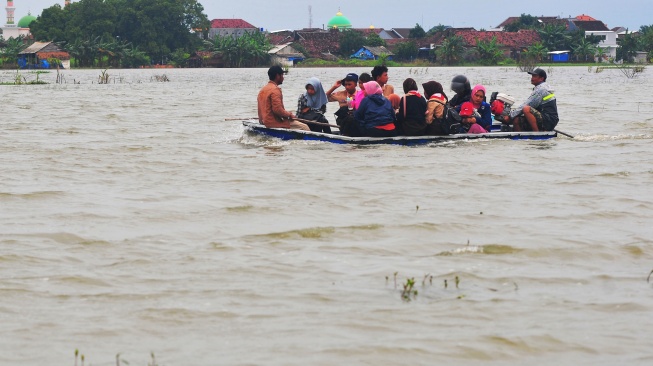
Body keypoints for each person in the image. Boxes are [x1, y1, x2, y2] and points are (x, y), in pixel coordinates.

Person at [257, 66, 309, 131]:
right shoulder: (275, 90)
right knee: (305, 127)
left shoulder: (263, 89)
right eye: (282, 75)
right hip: (274, 123)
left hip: (264, 122)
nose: (283, 78)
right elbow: (277, 110)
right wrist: (289, 115)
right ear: (277, 76)